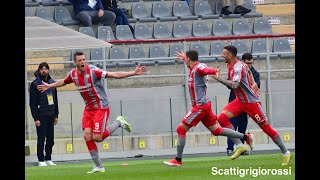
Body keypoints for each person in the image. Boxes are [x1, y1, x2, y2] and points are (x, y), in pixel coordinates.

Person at [37, 52, 147, 173]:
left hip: (101, 107)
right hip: (89, 109)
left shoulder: (94, 71)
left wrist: (133, 73)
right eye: (79, 60)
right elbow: (63, 81)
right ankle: (99, 166)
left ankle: (118, 122)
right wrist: (50, 86)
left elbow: (114, 74)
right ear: (75, 62)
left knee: (97, 138)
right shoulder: (73, 74)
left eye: (84, 59)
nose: (82, 62)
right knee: (87, 136)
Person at [163, 50, 254, 167]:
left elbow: (205, 71)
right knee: (216, 131)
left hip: (200, 106)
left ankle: (178, 160)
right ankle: (245, 137)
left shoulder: (198, 69)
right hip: (205, 105)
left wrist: (214, 71)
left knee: (181, 130)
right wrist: (185, 57)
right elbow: (201, 67)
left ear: (189, 60)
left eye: (186, 59)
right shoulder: (196, 66)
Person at [211, 45, 291, 165]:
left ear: (230, 55)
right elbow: (247, 71)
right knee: (222, 118)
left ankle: (286, 152)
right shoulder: (231, 65)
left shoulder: (238, 67)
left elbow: (234, 86)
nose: (222, 55)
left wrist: (218, 78)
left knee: (266, 128)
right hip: (240, 101)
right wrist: (252, 82)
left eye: (224, 53)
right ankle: (240, 144)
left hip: (251, 102)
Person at [226, 52, 260, 156]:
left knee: (242, 128)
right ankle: (230, 149)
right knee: (232, 127)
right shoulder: (236, 70)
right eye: (247, 63)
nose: (249, 65)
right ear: (243, 62)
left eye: (251, 63)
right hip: (234, 103)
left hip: (246, 104)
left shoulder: (254, 73)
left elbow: (256, 86)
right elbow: (230, 85)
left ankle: (241, 148)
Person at [29, 62, 59, 166]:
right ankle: (41, 160)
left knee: (50, 138)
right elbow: (32, 103)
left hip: (51, 115)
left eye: (46, 69)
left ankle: (48, 158)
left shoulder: (52, 83)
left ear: (48, 70)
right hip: (41, 116)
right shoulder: (35, 84)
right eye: (42, 69)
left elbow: (55, 100)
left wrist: (56, 115)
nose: (44, 71)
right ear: (39, 70)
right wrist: (35, 118)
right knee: (41, 138)